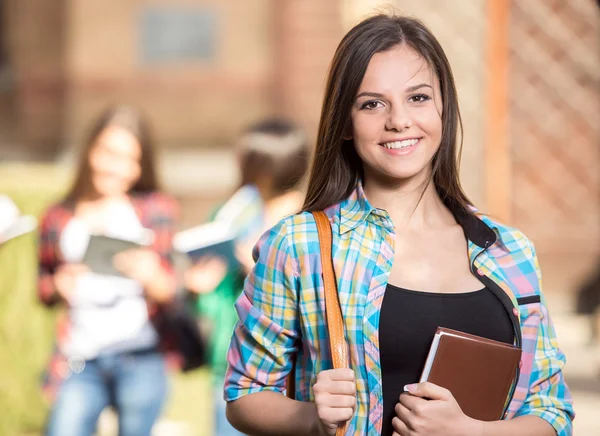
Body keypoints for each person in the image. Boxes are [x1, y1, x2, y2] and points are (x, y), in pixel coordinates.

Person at [223, 14, 574, 436]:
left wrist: (470, 432)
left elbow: (551, 412)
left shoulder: (508, 250)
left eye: (418, 98)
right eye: (372, 103)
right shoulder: (300, 245)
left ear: (444, 106)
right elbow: (244, 394)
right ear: (346, 124)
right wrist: (310, 417)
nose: (399, 120)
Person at [38, 105, 181, 436]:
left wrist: (152, 276)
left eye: (129, 159)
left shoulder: (155, 210)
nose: (116, 168)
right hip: (79, 358)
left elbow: (173, 291)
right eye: (108, 153)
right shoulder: (58, 217)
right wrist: (58, 286)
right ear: (90, 150)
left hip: (141, 356)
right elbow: (43, 287)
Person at [184, 118, 310, 436]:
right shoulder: (231, 215)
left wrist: (260, 269)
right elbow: (215, 300)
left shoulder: (309, 221)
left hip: (293, 367)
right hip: (230, 359)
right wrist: (199, 288)